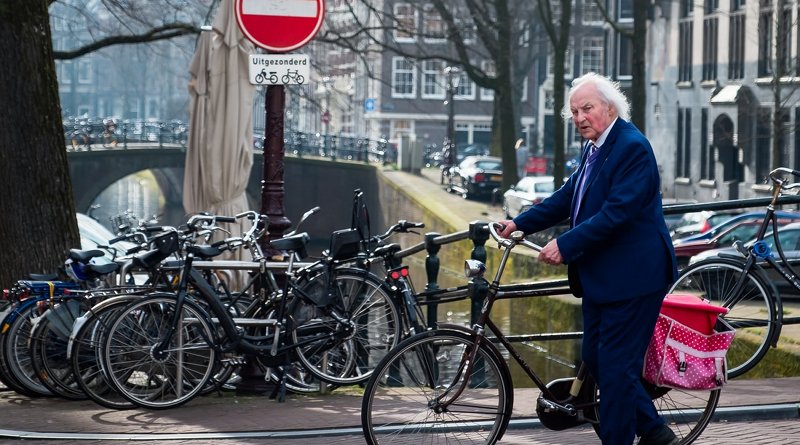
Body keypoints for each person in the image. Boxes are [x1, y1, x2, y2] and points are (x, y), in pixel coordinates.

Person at [498, 72, 679, 445]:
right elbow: (569, 196)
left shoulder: (632, 147)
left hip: (634, 277)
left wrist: (566, 244)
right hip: (602, 277)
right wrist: (519, 223)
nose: (579, 117)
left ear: (610, 108)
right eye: (574, 111)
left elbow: (617, 213)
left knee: (614, 370)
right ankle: (655, 432)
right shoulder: (595, 147)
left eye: (587, 108)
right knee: (596, 360)